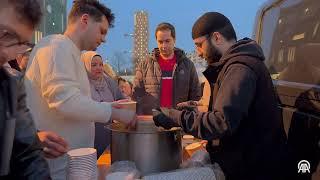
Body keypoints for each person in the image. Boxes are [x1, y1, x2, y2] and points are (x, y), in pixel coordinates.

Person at [153, 12, 289, 180]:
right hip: (237, 161)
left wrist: (175, 117)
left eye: (199, 45)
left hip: (252, 170)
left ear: (216, 37)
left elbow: (220, 122)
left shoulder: (240, 68)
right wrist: (192, 110)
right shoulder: (232, 65)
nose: (199, 52)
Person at [24, 1, 136, 179]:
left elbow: (75, 100)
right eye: (102, 31)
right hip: (55, 166)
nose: (104, 39)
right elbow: (64, 101)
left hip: (72, 163)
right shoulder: (56, 46)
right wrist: (113, 112)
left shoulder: (70, 51)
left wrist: (111, 105)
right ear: (85, 20)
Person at [0, 0, 51, 179]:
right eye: (5, 34)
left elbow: (29, 155)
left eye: (20, 44)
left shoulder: (11, 86)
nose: (6, 54)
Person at [133, 22, 201, 115]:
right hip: (152, 122)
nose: (164, 46)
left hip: (179, 123)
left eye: (167, 41)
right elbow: (136, 96)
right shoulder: (144, 65)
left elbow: (195, 96)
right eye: (160, 42)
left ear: (174, 40)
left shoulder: (188, 65)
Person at [81, 51, 125, 156]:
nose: (99, 68)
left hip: (109, 134)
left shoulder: (109, 82)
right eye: (94, 65)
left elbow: (121, 100)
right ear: (85, 66)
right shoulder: (81, 84)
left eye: (101, 64)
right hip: (90, 134)